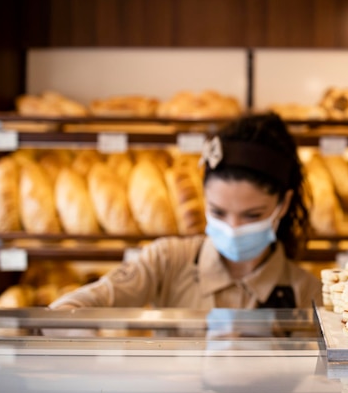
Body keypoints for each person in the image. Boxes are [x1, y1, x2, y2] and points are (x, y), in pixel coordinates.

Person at [50, 113, 322, 313]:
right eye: (218, 211)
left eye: (252, 215)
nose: (232, 227)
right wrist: (69, 320)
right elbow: (85, 301)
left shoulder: (309, 293)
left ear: (283, 205)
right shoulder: (167, 261)